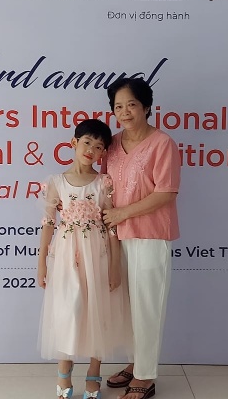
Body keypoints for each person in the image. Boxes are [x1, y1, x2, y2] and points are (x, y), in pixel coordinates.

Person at [37, 118, 133, 399]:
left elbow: (111, 226)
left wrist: (115, 265)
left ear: (104, 153)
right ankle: (64, 373)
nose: (91, 150)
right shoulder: (56, 182)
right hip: (67, 256)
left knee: (97, 310)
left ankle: (94, 373)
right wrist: (41, 262)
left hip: (98, 254)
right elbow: (48, 224)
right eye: (87, 143)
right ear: (74, 143)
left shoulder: (104, 183)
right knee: (69, 309)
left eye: (99, 146)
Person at [101, 77, 181, 399]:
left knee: (147, 306)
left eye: (131, 105)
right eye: (118, 106)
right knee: (127, 307)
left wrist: (123, 213)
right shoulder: (111, 145)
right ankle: (135, 363)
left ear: (146, 107)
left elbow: (166, 192)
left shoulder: (162, 144)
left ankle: (145, 376)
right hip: (118, 236)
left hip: (150, 235)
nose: (124, 112)